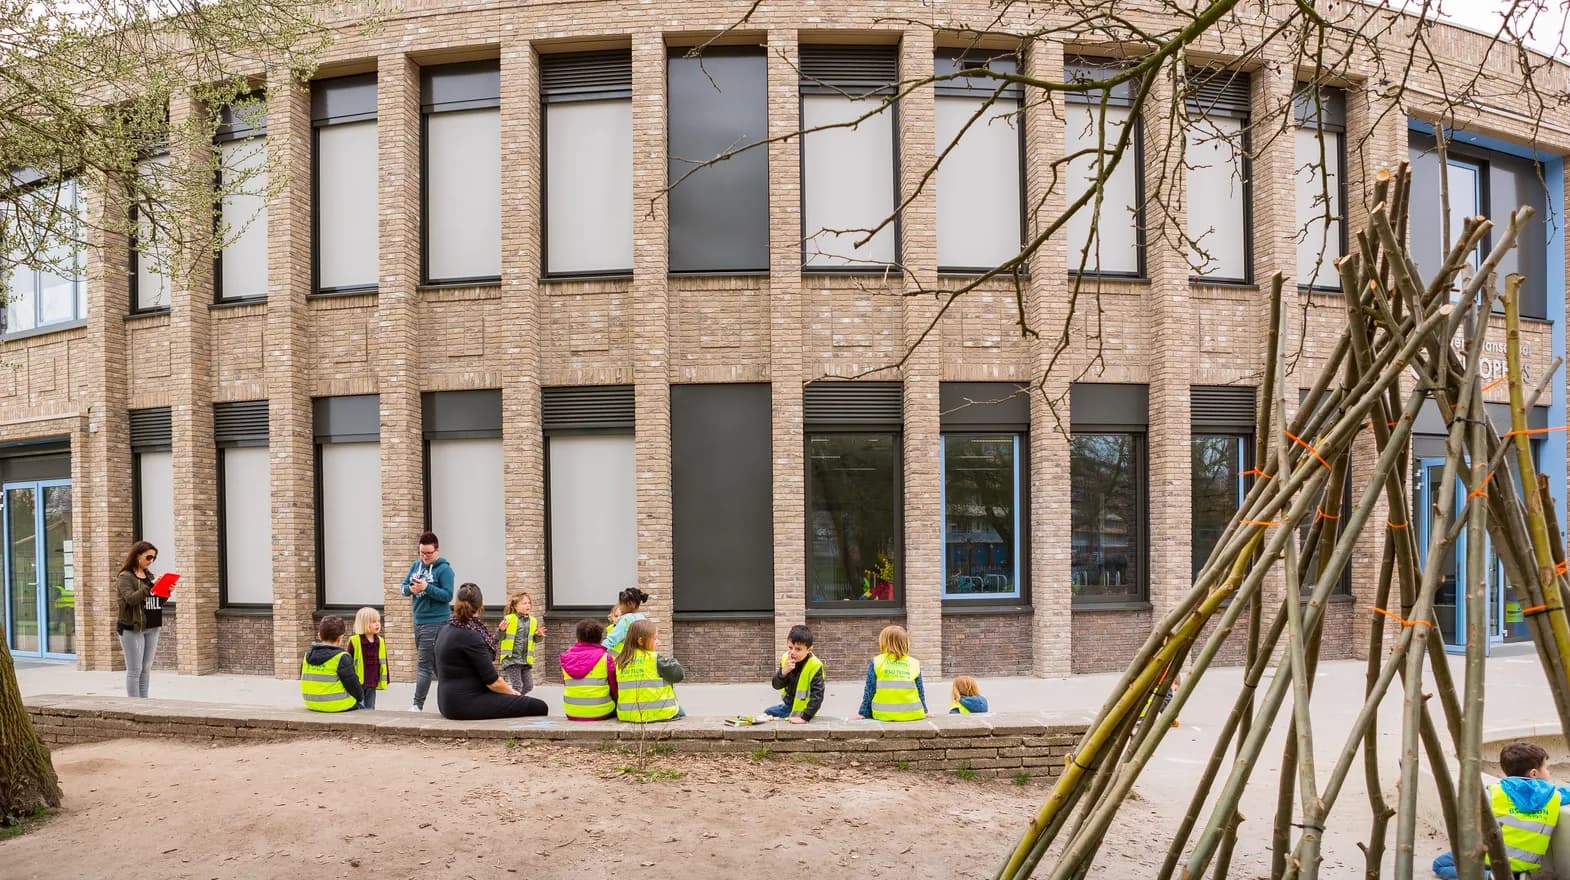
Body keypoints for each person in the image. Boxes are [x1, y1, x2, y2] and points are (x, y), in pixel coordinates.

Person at [1433, 741, 1570, 878]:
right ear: (1534, 773)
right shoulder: (1555, 796)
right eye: (1546, 768)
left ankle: (1491, 877)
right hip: (1525, 863)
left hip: (1491, 857)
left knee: (1440, 865)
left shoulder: (1493, 792)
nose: (1549, 771)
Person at [433, 583, 547, 721]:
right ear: (481, 606)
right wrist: (513, 694)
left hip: (446, 701)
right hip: (465, 703)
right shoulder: (471, 635)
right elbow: (492, 681)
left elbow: (436, 667)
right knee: (539, 706)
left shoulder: (444, 629)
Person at [400, 531, 455, 712]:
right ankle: (453, 696)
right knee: (436, 665)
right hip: (419, 620)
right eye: (422, 553)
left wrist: (426, 587)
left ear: (437, 550)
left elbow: (447, 595)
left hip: (436, 621)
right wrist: (411, 589)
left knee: (424, 664)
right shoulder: (416, 566)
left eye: (428, 553)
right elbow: (403, 588)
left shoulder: (444, 569)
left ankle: (417, 705)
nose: (425, 557)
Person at [115, 541, 164, 698]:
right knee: (135, 669)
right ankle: (134, 706)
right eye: (148, 557)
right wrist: (150, 585)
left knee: (146, 668)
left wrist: (165, 591)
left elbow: (154, 602)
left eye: (154, 558)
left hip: (151, 625)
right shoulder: (125, 577)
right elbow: (131, 599)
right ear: (137, 556)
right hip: (132, 627)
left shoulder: (149, 575)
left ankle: (144, 703)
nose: (151, 561)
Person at [614, 619, 684, 723]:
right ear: (641, 641)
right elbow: (678, 675)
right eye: (655, 638)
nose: (658, 642)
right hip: (659, 713)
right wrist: (672, 661)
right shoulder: (653, 658)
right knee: (681, 711)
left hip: (627, 715)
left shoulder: (620, 661)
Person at [857, 624, 927, 721]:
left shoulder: (877, 662)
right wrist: (925, 711)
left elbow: (870, 690)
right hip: (913, 714)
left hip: (883, 714)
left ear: (884, 643)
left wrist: (863, 713)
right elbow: (920, 691)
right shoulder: (914, 663)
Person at [300, 616, 364, 713]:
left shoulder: (307, 655)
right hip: (335, 704)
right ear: (340, 638)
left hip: (311, 703)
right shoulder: (341, 657)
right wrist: (360, 697)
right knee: (363, 705)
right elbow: (353, 686)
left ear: (319, 636)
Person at [763, 624, 824, 724]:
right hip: (788, 705)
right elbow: (776, 685)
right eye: (790, 647)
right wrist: (784, 672)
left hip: (803, 709)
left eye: (798, 649)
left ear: (809, 649)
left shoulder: (815, 665)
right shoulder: (786, 659)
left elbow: (817, 695)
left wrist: (805, 717)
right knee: (767, 713)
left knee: (768, 714)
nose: (792, 652)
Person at [560, 619, 617, 721]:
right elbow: (614, 688)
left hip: (572, 712)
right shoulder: (606, 658)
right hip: (602, 712)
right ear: (600, 638)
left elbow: (566, 684)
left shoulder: (566, 658)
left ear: (577, 638)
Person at [497, 591, 544, 696]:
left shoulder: (533, 621)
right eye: (524, 603)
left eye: (529, 603)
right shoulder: (509, 619)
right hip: (512, 659)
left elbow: (535, 640)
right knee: (517, 686)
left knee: (528, 686)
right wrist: (501, 630)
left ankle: (514, 700)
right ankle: (516, 704)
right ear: (515, 606)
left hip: (525, 660)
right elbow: (499, 637)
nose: (527, 605)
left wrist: (538, 635)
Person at [346, 607, 388, 709]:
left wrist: (385, 679)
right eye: (373, 622)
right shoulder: (354, 641)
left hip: (372, 680)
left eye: (378, 621)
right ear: (363, 624)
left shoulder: (380, 641)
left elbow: (383, 661)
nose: (377, 624)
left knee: (370, 708)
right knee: (359, 707)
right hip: (358, 682)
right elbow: (347, 661)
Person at [602, 587, 650, 656]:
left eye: (620, 604)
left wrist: (597, 653)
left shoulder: (625, 620)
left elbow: (611, 640)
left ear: (630, 604)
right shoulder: (643, 619)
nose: (619, 608)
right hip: (639, 659)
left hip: (624, 660)